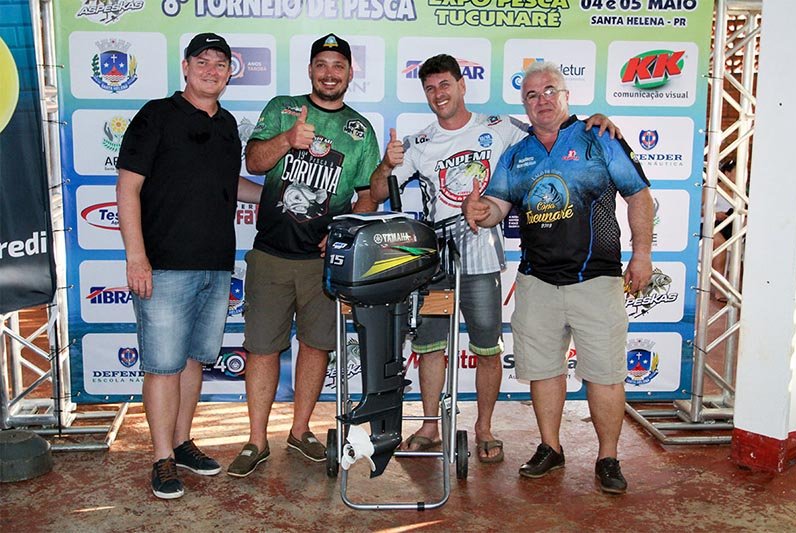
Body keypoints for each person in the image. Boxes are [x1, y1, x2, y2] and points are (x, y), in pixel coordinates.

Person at [370, 54, 620, 464]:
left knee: (487, 347)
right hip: (434, 257)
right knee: (430, 345)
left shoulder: (500, 126)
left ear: (462, 84)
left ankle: (484, 428)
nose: (438, 94)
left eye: (445, 84)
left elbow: (551, 128)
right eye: (430, 88)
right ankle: (430, 426)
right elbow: (379, 192)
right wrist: (387, 163)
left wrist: (595, 121)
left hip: (481, 251)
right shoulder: (419, 141)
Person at [462, 61, 653, 493]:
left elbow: (639, 195)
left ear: (566, 95)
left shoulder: (598, 137)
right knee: (544, 371)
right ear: (524, 105)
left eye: (549, 90)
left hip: (596, 279)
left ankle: (608, 457)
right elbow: (496, 208)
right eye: (531, 95)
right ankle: (551, 447)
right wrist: (479, 211)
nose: (542, 100)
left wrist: (642, 254)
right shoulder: (517, 154)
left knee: (605, 374)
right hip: (537, 282)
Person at [116, 33, 262, 499]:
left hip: (216, 266)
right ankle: (161, 458)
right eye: (203, 61)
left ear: (229, 73)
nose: (211, 70)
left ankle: (181, 443)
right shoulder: (156, 115)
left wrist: (274, 198)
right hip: (163, 266)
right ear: (185, 66)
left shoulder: (228, 124)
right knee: (162, 366)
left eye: (221, 63)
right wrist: (136, 256)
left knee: (194, 360)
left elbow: (228, 183)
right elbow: (127, 188)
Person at [227, 34, 380, 477]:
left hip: (323, 263)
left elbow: (368, 195)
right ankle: (256, 440)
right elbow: (254, 162)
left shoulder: (360, 130)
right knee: (261, 348)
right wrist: (288, 139)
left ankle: (299, 431)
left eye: (338, 66)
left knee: (316, 346)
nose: (330, 73)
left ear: (350, 73)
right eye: (322, 65)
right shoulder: (283, 108)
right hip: (271, 255)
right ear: (311, 69)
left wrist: (342, 231)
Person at [711, 159, 736, 301]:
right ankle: (719, 289)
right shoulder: (712, 189)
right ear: (727, 173)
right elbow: (696, 209)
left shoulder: (742, 193)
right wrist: (715, 214)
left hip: (733, 227)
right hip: (712, 225)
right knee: (720, 244)